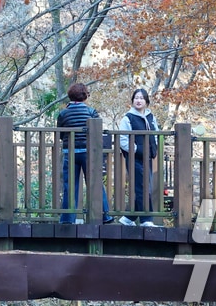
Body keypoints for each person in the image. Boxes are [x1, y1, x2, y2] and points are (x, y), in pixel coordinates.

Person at [56, 83, 106, 224]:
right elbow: (97, 134)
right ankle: (104, 215)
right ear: (85, 96)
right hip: (88, 152)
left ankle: (67, 219)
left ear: (70, 96)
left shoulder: (63, 114)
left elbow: (61, 135)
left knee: (70, 186)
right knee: (95, 184)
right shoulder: (91, 112)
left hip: (70, 152)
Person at [117, 88, 160, 225]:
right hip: (134, 158)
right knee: (142, 187)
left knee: (144, 186)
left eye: (141, 98)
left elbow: (156, 133)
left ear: (146, 101)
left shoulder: (151, 117)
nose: (139, 100)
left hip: (148, 158)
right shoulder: (128, 118)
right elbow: (123, 140)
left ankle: (128, 218)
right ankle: (146, 219)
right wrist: (137, 150)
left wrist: (154, 147)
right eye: (136, 98)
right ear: (132, 101)